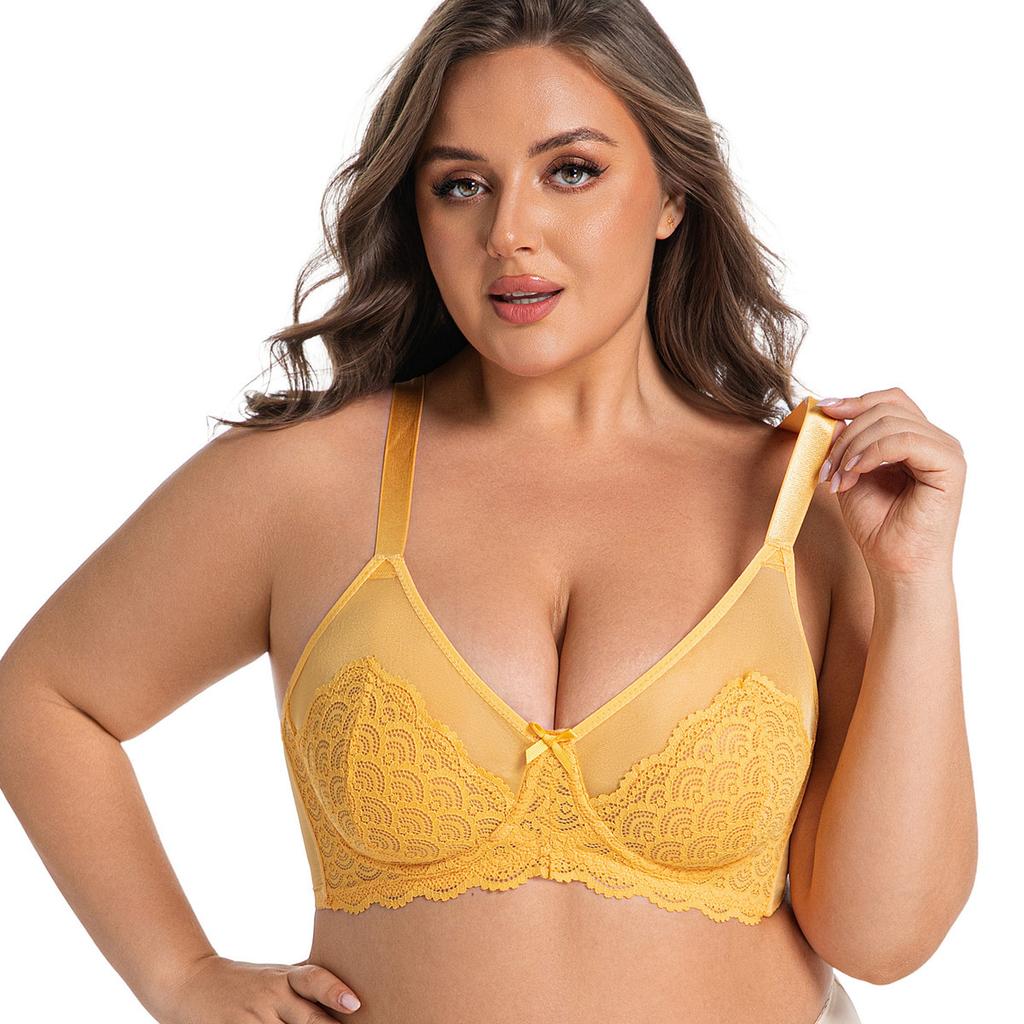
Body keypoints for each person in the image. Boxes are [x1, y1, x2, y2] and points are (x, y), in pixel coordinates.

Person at [0, 1, 975, 1022]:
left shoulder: (812, 501)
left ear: (672, 195)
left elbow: (883, 938)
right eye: (461, 184)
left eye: (571, 171)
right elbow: (45, 696)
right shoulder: (306, 480)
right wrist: (178, 974)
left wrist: (915, 586)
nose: (509, 233)